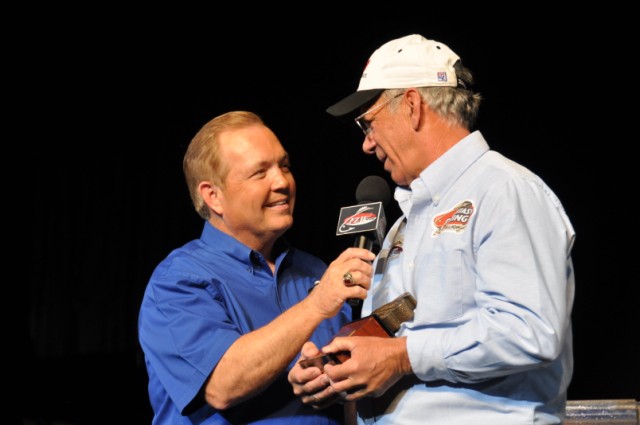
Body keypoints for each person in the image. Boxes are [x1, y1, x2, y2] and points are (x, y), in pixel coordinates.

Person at [288, 34, 576, 424]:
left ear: (412, 106)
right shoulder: (403, 225)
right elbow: (399, 334)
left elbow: (530, 330)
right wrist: (337, 369)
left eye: (368, 124)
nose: (367, 145)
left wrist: (401, 357)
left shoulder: (504, 190)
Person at [138, 110, 376, 424]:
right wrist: (317, 305)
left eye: (284, 166)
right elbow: (222, 384)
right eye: (259, 173)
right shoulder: (177, 281)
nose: (282, 182)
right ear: (213, 196)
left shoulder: (315, 271)